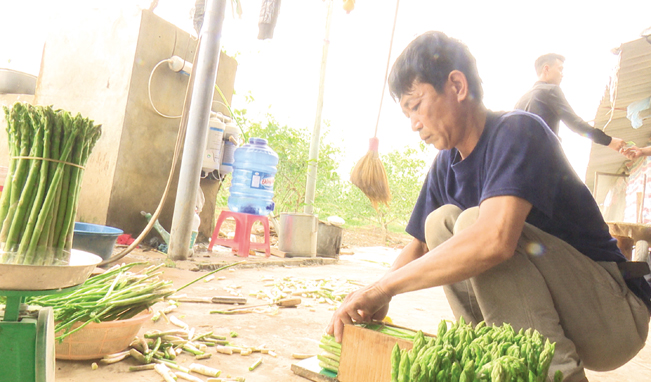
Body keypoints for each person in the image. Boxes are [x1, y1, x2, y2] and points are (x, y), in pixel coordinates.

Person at [326, 31, 651, 382]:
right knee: (439, 224)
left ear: (457, 85)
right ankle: (498, 362)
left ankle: (558, 376)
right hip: (567, 313)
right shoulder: (444, 165)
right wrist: (372, 296)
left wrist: (384, 289)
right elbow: (419, 246)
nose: (413, 124)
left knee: (473, 225)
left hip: (613, 317)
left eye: (416, 105)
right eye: (407, 113)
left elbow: (494, 239)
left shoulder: (517, 131)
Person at [515, 53, 626, 152]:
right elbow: (575, 123)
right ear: (546, 69)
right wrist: (609, 141)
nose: (562, 74)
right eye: (560, 69)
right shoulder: (550, 90)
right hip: (543, 159)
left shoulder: (520, 101)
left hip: (522, 165)